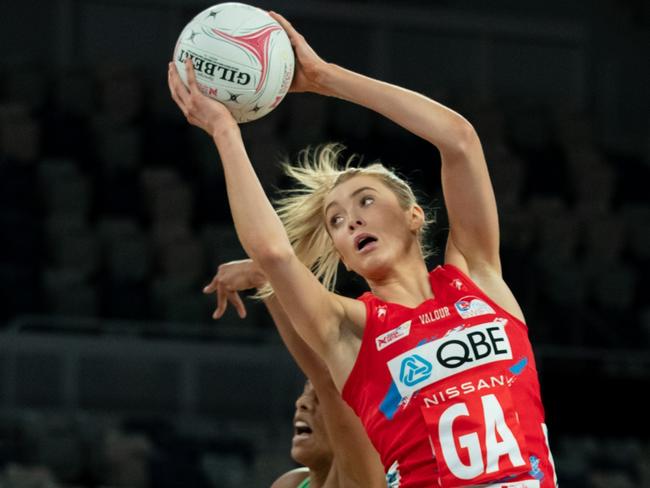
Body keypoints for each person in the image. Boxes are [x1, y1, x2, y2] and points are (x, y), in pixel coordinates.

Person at [168, 10, 558, 487]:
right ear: (343, 253)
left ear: (414, 216)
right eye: (335, 220)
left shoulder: (477, 279)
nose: (350, 218)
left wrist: (326, 78)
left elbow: (459, 141)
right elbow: (274, 254)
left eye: (366, 201)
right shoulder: (349, 330)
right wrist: (225, 133)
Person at [203, 259, 385, 488]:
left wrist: (267, 280)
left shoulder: (368, 477)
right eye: (306, 395)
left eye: (319, 399)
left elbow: (327, 380)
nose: (302, 403)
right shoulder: (291, 483)